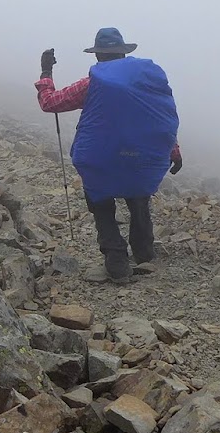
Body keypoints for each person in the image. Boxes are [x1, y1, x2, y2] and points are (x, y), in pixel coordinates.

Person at [36, 27, 181, 283]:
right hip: (140, 156)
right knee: (138, 198)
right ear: (123, 53)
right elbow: (159, 117)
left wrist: (46, 73)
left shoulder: (91, 84)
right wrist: (173, 149)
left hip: (100, 156)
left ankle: (116, 262)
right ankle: (144, 252)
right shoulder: (147, 83)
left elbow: (51, 103)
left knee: (101, 203)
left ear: (98, 56)